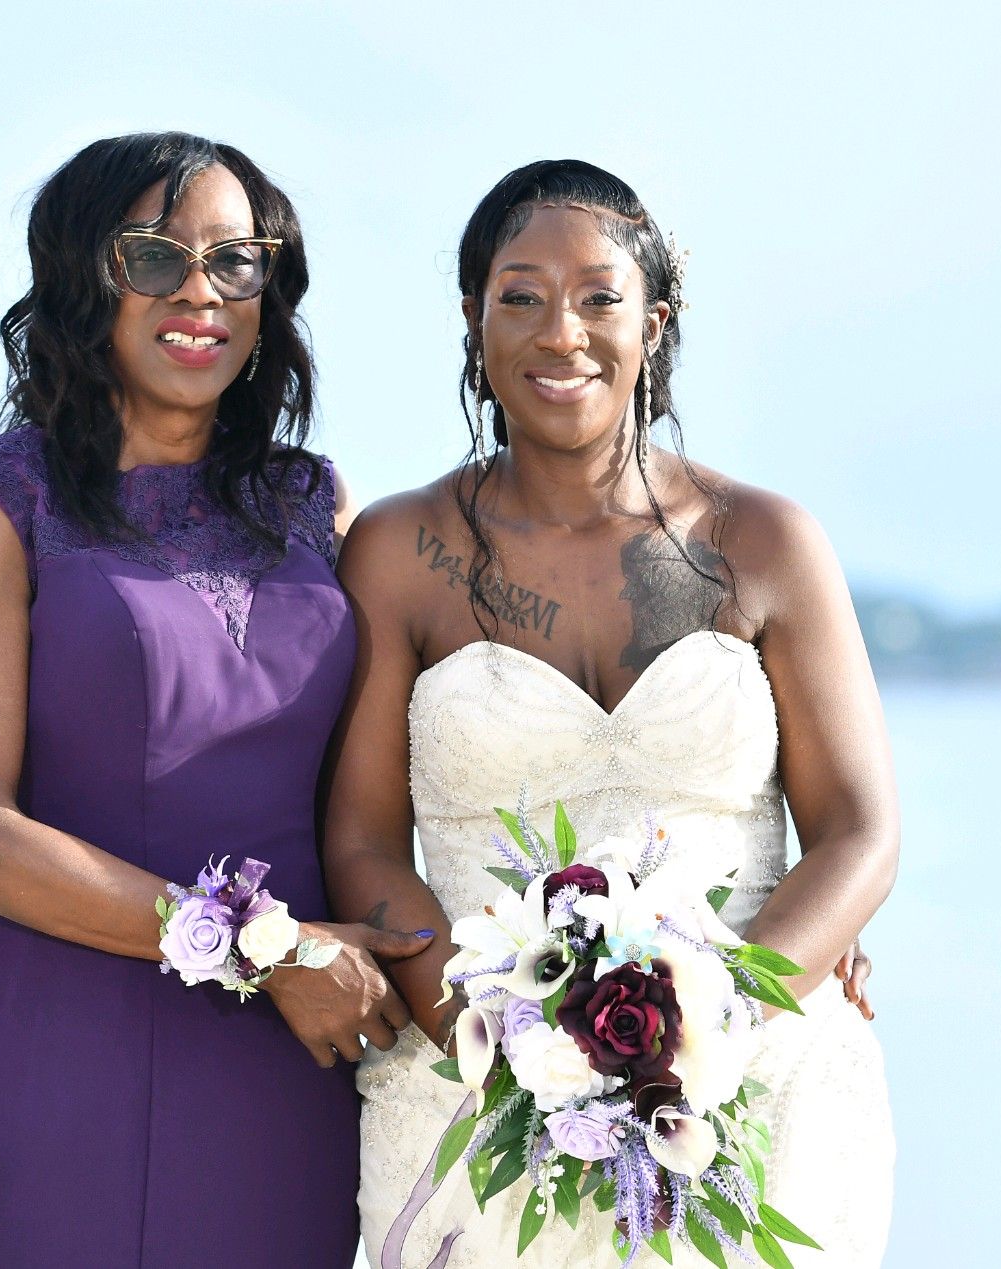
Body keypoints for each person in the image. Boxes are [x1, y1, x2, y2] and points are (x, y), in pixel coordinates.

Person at [326, 160, 898, 1266]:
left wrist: (711, 1032)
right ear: (471, 317)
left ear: (654, 322)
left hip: (756, 1094)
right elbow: (356, 839)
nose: (561, 332)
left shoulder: (766, 542)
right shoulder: (396, 553)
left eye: (598, 296)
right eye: (521, 295)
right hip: (471, 1092)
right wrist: (502, 1043)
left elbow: (859, 835)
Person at [0, 131, 428, 1268]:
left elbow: (410, 768)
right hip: (57, 1051)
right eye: (154, 257)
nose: (200, 293)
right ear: (82, 279)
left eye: (234, 262)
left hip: (300, 1062)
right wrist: (266, 949)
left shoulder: (313, 503)